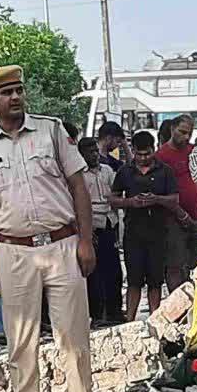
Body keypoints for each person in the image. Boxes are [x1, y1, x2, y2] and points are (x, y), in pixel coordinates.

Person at [0, 65, 96, 392]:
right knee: (21, 339)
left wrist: (86, 242)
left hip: (62, 245)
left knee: (73, 334)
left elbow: (78, 187)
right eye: (6, 93)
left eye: (19, 90)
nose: (15, 97)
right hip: (12, 251)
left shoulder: (52, 131)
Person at [109, 131, 178, 321]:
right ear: (133, 151)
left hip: (158, 233)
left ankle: (155, 319)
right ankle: (130, 320)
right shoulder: (125, 171)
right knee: (134, 281)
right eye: (139, 154)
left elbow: (174, 199)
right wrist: (131, 202)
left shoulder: (165, 171)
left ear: (154, 149)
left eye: (147, 154)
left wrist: (156, 199)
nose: (143, 158)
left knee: (155, 281)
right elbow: (113, 199)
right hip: (133, 233)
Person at [157, 115, 197, 289]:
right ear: (172, 129)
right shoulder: (161, 156)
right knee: (175, 265)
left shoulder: (194, 151)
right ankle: (177, 306)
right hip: (172, 220)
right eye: (182, 132)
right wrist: (180, 213)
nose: (186, 137)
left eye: (189, 133)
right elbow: (161, 193)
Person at [79, 137, 123, 324]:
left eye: (96, 151)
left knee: (113, 270)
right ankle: (97, 314)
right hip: (92, 224)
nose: (95, 155)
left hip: (109, 221)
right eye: (90, 152)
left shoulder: (107, 171)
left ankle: (114, 311)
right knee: (94, 274)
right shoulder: (80, 175)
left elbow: (117, 193)